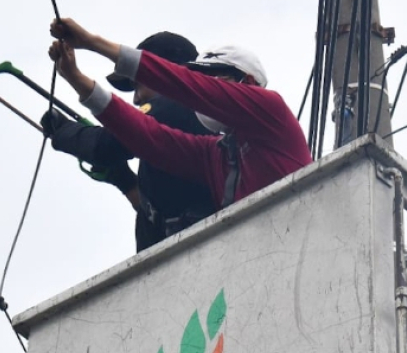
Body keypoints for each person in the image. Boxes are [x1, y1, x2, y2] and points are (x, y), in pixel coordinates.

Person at [48, 18, 312, 211]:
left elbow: (188, 87)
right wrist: (77, 80)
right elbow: (151, 138)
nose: (205, 85)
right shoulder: (218, 156)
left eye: (214, 78)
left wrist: (92, 42)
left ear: (249, 82)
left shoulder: (271, 111)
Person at [41, 32, 216, 251]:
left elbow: (104, 146)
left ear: (166, 71)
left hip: (197, 252)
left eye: (139, 84)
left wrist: (64, 131)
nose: (135, 98)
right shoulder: (181, 120)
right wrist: (124, 180)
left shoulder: (179, 105)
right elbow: (158, 214)